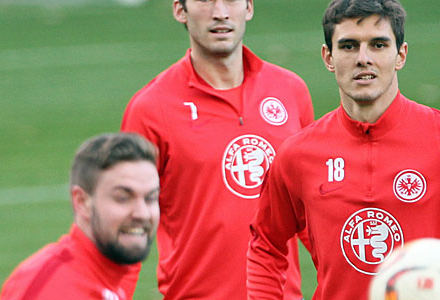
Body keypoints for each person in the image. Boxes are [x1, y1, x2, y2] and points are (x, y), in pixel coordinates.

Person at [246, 0, 440, 299]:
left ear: (400, 55)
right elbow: (266, 244)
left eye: (378, 45)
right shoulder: (297, 155)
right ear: (328, 57)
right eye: (348, 46)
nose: (363, 58)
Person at [120, 0, 315, 299]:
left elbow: (309, 211)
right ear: (179, 10)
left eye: (231, 0)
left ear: (249, 7)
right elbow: (126, 221)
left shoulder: (290, 90)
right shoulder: (151, 109)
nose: (220, 11)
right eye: (205, 0)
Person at [0, 133, 160, 300]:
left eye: (151, 198)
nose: (142, 213)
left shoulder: (108, 277)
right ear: (82, 202)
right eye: (122, 198)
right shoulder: (54, 289)